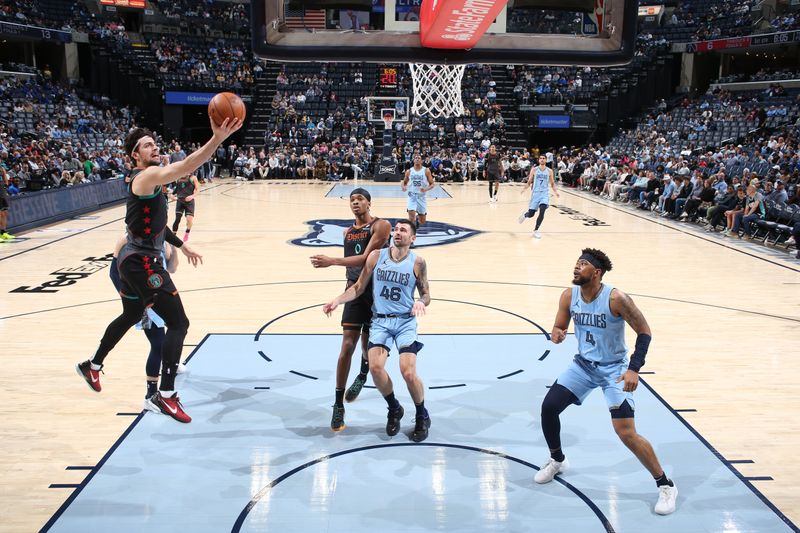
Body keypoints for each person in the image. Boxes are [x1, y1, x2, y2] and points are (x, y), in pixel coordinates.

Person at [75, 117, 241, 423]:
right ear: (135, 156)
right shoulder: (146, 176)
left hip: (129, 260)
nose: (155, 146)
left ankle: (93, 365)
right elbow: (187, 166)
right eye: (148, 144)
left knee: (129, 315)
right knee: (179, 323)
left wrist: (182, 245)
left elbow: (157, 224)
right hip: (142, 263)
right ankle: (164, 395)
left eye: (155, 142)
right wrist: (216, 139)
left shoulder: (149, 180)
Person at [536, 248, 678, 515]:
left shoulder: (617, 298)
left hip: (615, 369)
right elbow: (559, 324)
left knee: (625, 432)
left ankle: (666, 484)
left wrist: (634, 369)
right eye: (576, 263)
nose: (576, 267)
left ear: (597, 272)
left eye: (583, 264)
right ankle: (557, 460)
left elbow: (645, 333)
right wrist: (557, 332)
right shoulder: (569, 295)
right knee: (549, 407)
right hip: (583, 366)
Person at [323, 219, 432, 442]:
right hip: (381, 322)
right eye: (396, 229)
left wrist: (421, 301)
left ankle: (422, 414)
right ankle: (394, 408)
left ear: (413, 238)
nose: (397, 232)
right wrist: (337, 301)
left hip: (404, 322)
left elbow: (427, 294)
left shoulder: (418, 262)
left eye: (403, 230)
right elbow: (358, 287)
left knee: (408, 372)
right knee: (374, 368)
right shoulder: (376, 256)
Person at [310, 188, 391, 431]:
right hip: (355, 290)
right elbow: (354, 268)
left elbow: (368, 259)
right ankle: (338, 404)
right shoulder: (348, 231)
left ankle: (363, 374)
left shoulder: (381, 226)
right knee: (347, 346)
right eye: (352, 200)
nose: (355, 203)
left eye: (360, 200)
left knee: (368, 346)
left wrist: (332, 261)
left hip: (377, 293)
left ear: (369, 202)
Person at [109, 235, 185, 405]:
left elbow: (172, 269)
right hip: (143, 299)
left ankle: (171, 364)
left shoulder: (163, 240)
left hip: (159, 294)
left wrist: (175, 250)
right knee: (158, 344)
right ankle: (150, 395)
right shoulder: (125, 241)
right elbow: (113, 273)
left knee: (172, 332)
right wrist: (132, 298)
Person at [518, 155, 560, 238]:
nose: (542, 159)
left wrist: (556, 192)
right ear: (538, 160)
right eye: (540, 158)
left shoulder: (550, 171)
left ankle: (536, 230)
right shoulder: (534, 169)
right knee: (531, 214)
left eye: (544, 158)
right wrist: (524, 189)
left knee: (542, 210)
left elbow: (552, 183)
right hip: (535, 194)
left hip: (544, 194)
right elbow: (529, 181)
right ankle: (525, 215)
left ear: (546, 160)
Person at [401, 155, 435, 228]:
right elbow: (404, 182)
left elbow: (432, 184)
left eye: (419, 158)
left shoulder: (426, 170)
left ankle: (417, 219)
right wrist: (403, 187)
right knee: (411, 216)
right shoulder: (409, 171)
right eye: (415, 158)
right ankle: (411, 232)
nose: (417, 159)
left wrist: (425, 189)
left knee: (422, 221)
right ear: (413, 160)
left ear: (421, 161)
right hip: (412, 196)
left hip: (421, 197)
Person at [171, 173, 200, 242]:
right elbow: (175, 190)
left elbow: (198, 189)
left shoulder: (193, 178)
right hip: (180, 201)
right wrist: (172, 196)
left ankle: (187, 232)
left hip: (189, 202)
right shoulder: (178, 178)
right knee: (177, 219)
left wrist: (192, 196)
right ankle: (173, 237)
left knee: (189, 220)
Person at [0, 164, 14, 241]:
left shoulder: (2, 167)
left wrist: (6, 184)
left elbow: (5, 177)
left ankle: (3, 232)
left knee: (5, 212)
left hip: (2, 189)